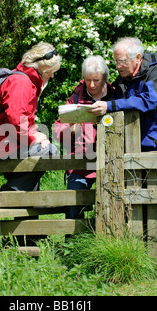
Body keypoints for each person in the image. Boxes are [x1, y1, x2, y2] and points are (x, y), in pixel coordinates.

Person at [0, 42, 61, 191]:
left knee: (32, 172)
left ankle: (25, 203)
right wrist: (33, 139)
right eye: (51, 71)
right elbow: (15, 120)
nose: (53, 75)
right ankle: (11, 191)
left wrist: (35, 133)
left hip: (5, 140)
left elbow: (24, 119)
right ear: (43, 68)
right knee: (49, 151)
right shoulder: (21, 82)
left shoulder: (27, 81)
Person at [88, 37, 157, 152]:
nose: (118, 66)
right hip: (128, 143)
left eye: (122, 61)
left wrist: (109, 106)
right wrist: (100, 117)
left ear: (138, 58)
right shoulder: (123, 79)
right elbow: (116, 106)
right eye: (116, 61)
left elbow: (149, 101)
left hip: (156, 144)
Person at [53, 56, 113, 218]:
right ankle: (72, 241)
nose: (92, 85)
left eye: (96, 80)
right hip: (80, 164)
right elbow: (58, 130)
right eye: (88, 80)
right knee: (73, 204)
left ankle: (106, 241)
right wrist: (71, 130)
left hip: (110, 162)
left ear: (105, 79)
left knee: (112, 206)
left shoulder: (116, 96)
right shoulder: (76, 97)